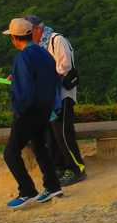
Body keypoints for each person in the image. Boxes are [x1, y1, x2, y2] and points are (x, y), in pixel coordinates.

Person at [1, 17, 64, 209]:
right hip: (45, 109)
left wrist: (19, 111)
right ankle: (53, 186)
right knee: (39, 147)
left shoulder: (23, 57)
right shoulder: (43, 53)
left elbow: (25, 90)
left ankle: (27, 191)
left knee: (10, 152)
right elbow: (52, 79)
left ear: (14, 38)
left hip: (29, 111)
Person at [27, 15, 85, 186]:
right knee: (50, 135)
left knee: (63, 134)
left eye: (28, 32)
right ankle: (59, 167)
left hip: (62, 95)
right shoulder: (35, 46)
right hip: (47, 97)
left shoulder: (56, 40)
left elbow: (65, 66)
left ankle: (77, 168)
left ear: (37, 29)